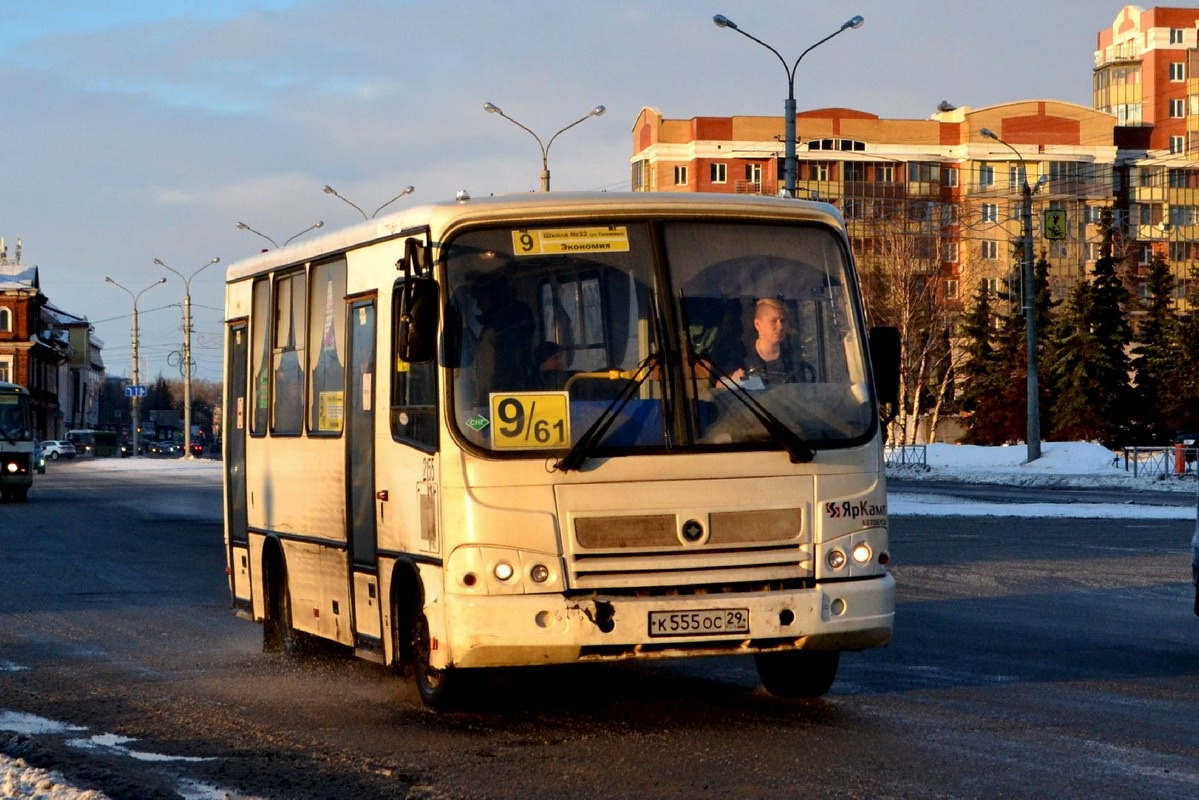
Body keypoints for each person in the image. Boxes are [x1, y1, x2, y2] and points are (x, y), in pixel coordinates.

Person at [730, 297, 812, 387]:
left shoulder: (792, 356)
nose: (780, 326)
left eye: (783, 321)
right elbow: (721, 388)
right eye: (773, 321)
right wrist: (733, 382)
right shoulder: (740, 355)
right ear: (758, 324)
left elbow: (802, 391)